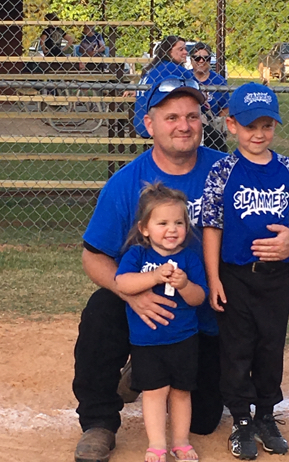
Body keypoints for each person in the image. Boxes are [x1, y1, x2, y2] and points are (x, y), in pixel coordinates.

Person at [73, 74, 289, 462]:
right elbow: (93, 256)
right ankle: (98, 421)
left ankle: (146, 369)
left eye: (192, 116)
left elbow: (287, 216)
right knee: (101, 310)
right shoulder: (126, 183)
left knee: (204, 420)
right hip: (147, 300)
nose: (184, 125)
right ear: (149, 124)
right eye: (171, 117)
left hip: (204, 309)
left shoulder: (230, 169)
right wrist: (131, 293)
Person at [201, 82, 289, 460]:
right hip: (235, 275)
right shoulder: (224, 170)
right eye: (250, 126)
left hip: (274, 279)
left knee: (270, 347)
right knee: (237, 349)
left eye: (267, 126)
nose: (259, 134)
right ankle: (240, 419)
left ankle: (266, 415)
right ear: (231, 125)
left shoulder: (288, 169)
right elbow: (212, 226)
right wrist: (214, 278)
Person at [115, 182, 208, 462]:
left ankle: (181, 442)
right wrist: (154, 276)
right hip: (147, 341)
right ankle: (157, 444)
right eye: (162, 223)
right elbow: (123, 283)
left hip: (183, 339)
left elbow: (198, 298)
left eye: (179, 223)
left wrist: (185, 285)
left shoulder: (189, 259)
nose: (172, 229)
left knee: (181, 392)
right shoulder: (138, 255)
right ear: (144, 228)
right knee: (154, 392)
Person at [133, 35, 191, 137]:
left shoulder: (153, 68)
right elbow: (195, 83)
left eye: (185, 49)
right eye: (181, 49)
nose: (185, 52)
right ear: (168, 52)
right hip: (154, 125)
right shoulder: (172, 68)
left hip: (140, 124)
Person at [191, 42, 229, 153]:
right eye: (197, 58)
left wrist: (217, 124)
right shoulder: (186, 77)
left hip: (212, 126)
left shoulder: (219, 80)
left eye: (205, 58)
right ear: (191, 60)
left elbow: (225, 108)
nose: (201, 61)